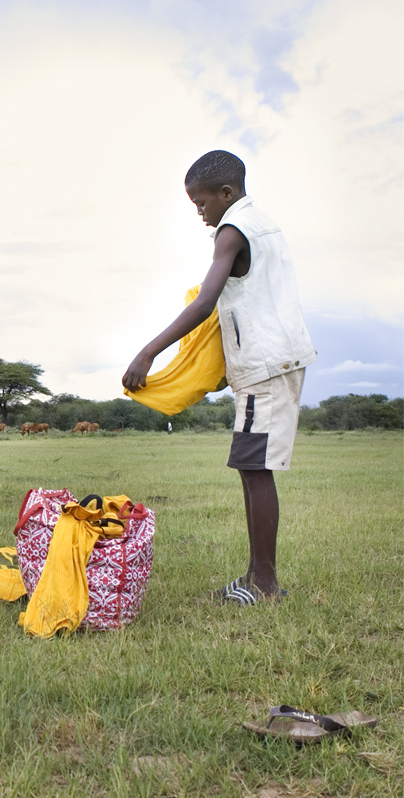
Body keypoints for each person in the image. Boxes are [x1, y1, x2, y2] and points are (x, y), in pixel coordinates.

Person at [122, 150, 315, 605]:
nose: (200, 214)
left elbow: (206, 301)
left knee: (255, 469)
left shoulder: (233, 230)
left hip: (266, 367)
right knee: (251, 469)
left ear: (226, 194)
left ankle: (264, 584)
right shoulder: (264, 224)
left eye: (201, 203)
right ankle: (254, 577)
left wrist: (148, 352)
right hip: (269, 362)